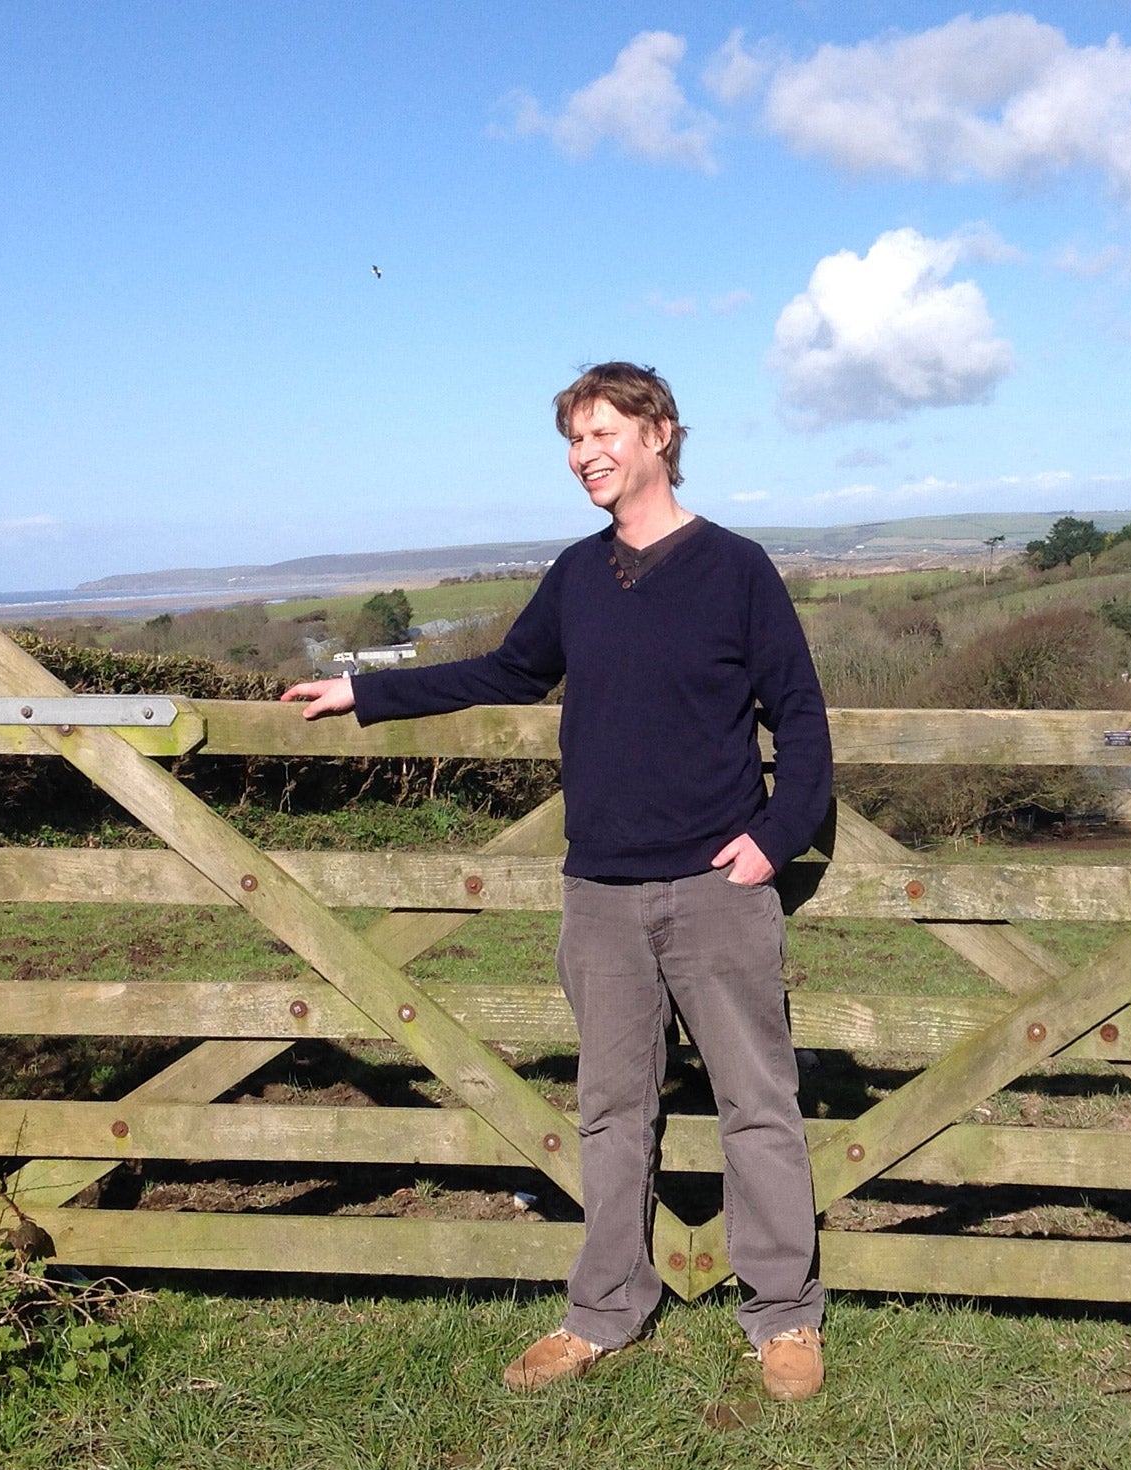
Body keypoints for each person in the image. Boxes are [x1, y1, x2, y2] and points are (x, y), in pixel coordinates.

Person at [282, 362, 834, 1400]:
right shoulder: (579, 574)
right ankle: (604, 1310)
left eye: (601, 433)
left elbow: (798, 717)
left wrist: (774, 837)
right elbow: (504, 670)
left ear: (659, 435)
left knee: (758, 1105)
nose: (584, 455)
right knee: (610, 1110)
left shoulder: (736, 569)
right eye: (572, 440)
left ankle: (782, 1319)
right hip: (601, 897)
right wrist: (364, 692)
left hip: (717, 888)